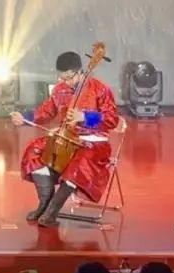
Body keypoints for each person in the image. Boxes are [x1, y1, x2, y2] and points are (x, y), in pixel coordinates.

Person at [11, 51, 121, 227]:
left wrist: (84, 117)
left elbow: (112, 119)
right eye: (62, 78)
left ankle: (52, 212)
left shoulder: (100, 89)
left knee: (80, 162)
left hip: (93, 142)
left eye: (68, 78)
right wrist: (24, 118)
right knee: (34, 150)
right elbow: (46, 111)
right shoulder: (60, 89)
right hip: (66, 137)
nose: (65, 82)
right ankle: (45, 202)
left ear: (79, 72)